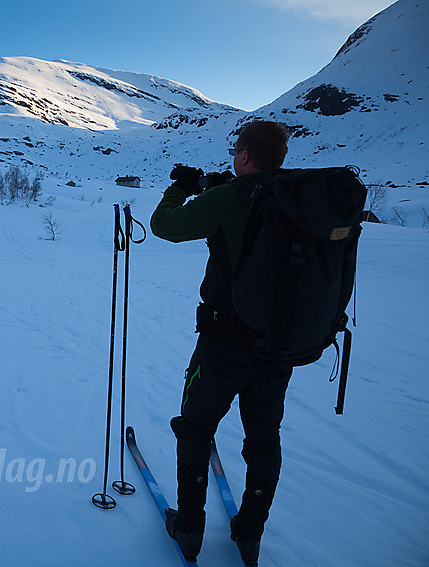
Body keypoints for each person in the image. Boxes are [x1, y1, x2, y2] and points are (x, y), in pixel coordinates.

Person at [149, 120, 292, 566]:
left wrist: (184, 188)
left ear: (245, 155)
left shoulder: (230, 198)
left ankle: (190, 527)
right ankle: (250, 533)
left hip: (224, 343)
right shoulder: (296, 197)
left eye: (237, 151)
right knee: (264, 440)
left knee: (195, 429)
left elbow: (165, 225)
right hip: (279, 347)